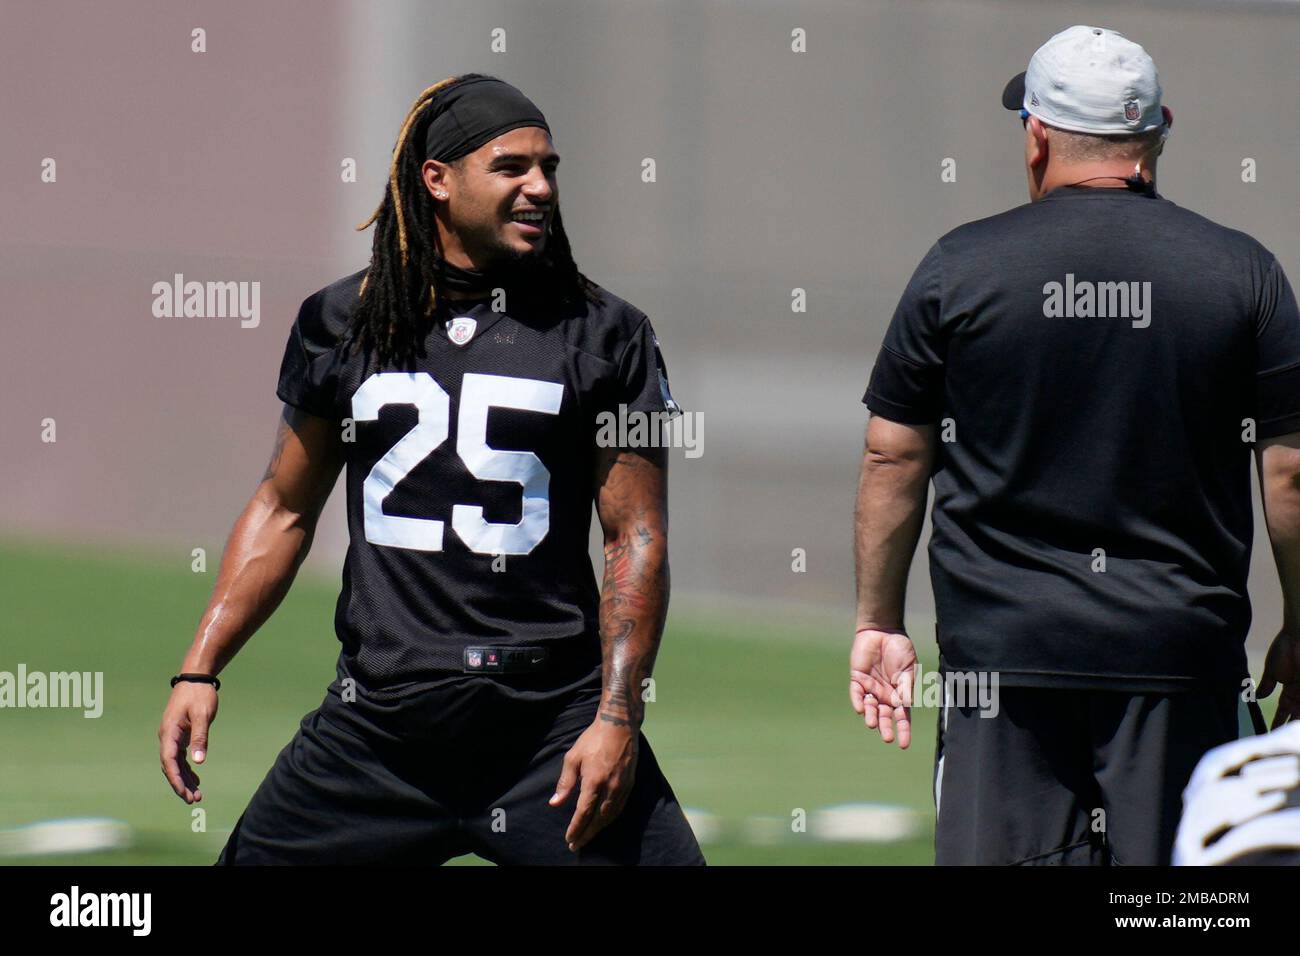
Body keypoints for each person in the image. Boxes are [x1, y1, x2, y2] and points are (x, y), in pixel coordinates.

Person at [157, 74, 704, 865]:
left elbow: (635, 537)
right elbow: (284, 509)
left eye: (549, 167)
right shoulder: (343, 322)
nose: (540, 187)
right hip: (380, 728)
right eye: (511, 167)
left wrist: (617, 718)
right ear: (437, 181)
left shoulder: (606, 334)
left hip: (549, 727)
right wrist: (198, 669)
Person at [851, 26, 1300, 865]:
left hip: (1003, 673)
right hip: (1180, 661)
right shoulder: (1244, 274)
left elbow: (892, 455)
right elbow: (1291, 472)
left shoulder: (960, 268)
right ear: (1158, 130)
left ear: (1037, 135)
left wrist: (880, 618)